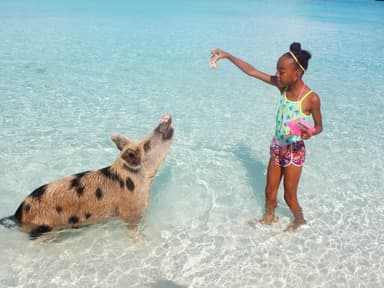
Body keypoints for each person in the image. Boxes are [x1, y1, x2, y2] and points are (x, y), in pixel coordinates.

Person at [211, 43, 323, 232]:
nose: (277, 75)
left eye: (281, 71)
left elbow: (319, 126)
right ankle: (269, 217)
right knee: (269, 191)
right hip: (277, 147)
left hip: (294, 152)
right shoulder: (283, 87)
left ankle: (299, 219)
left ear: (297, 74)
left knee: (289, 196)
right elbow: (252, 71)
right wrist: (228, 56)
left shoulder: (311, 98)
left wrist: (310, 132)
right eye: (277, 71)